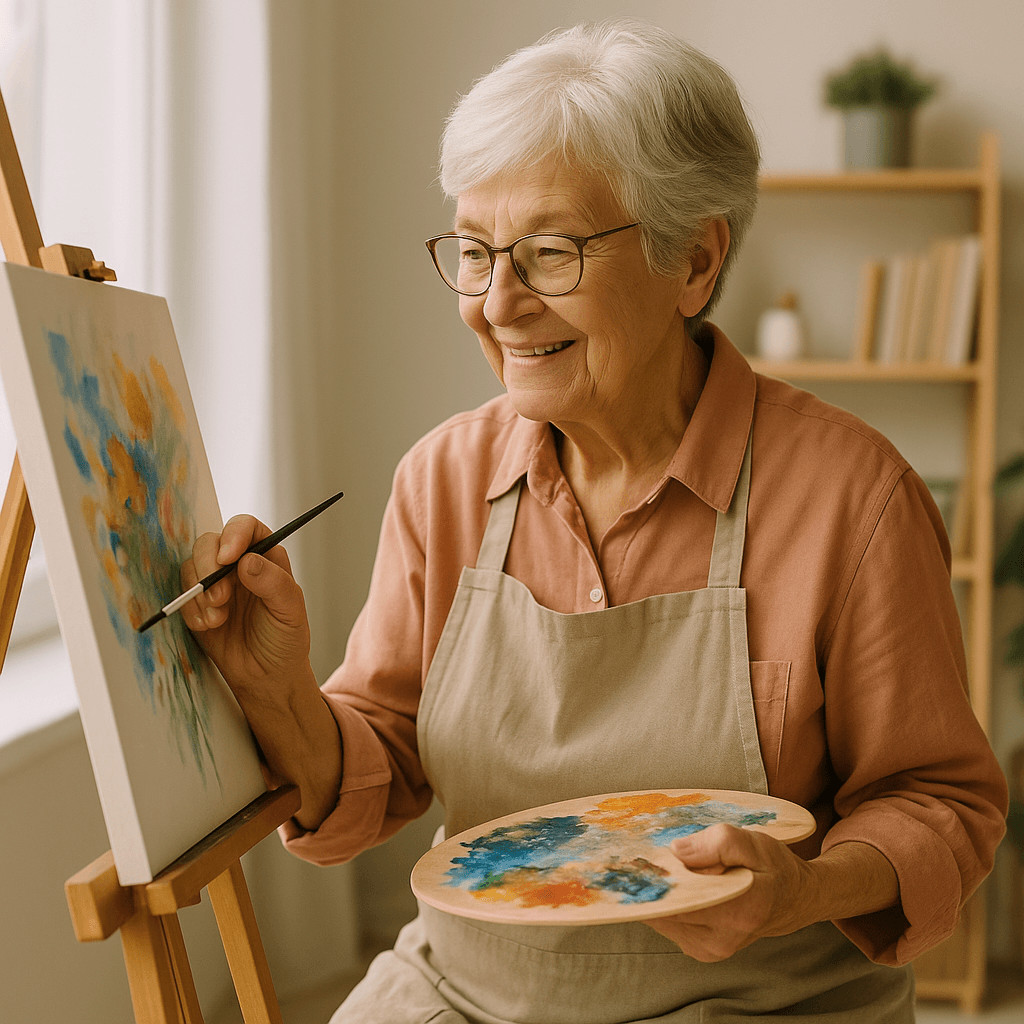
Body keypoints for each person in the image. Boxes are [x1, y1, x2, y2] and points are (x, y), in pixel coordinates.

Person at [183, 19, 1007, 1022]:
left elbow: (940, 805)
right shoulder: (441, 478)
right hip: (464, 991)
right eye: (476, 252)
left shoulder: (851, 497)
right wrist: (278, 695)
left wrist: (804, 890)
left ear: (694, 262)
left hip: (759, 1001)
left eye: (547, 253)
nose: (495, 303)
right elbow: (381, 764)